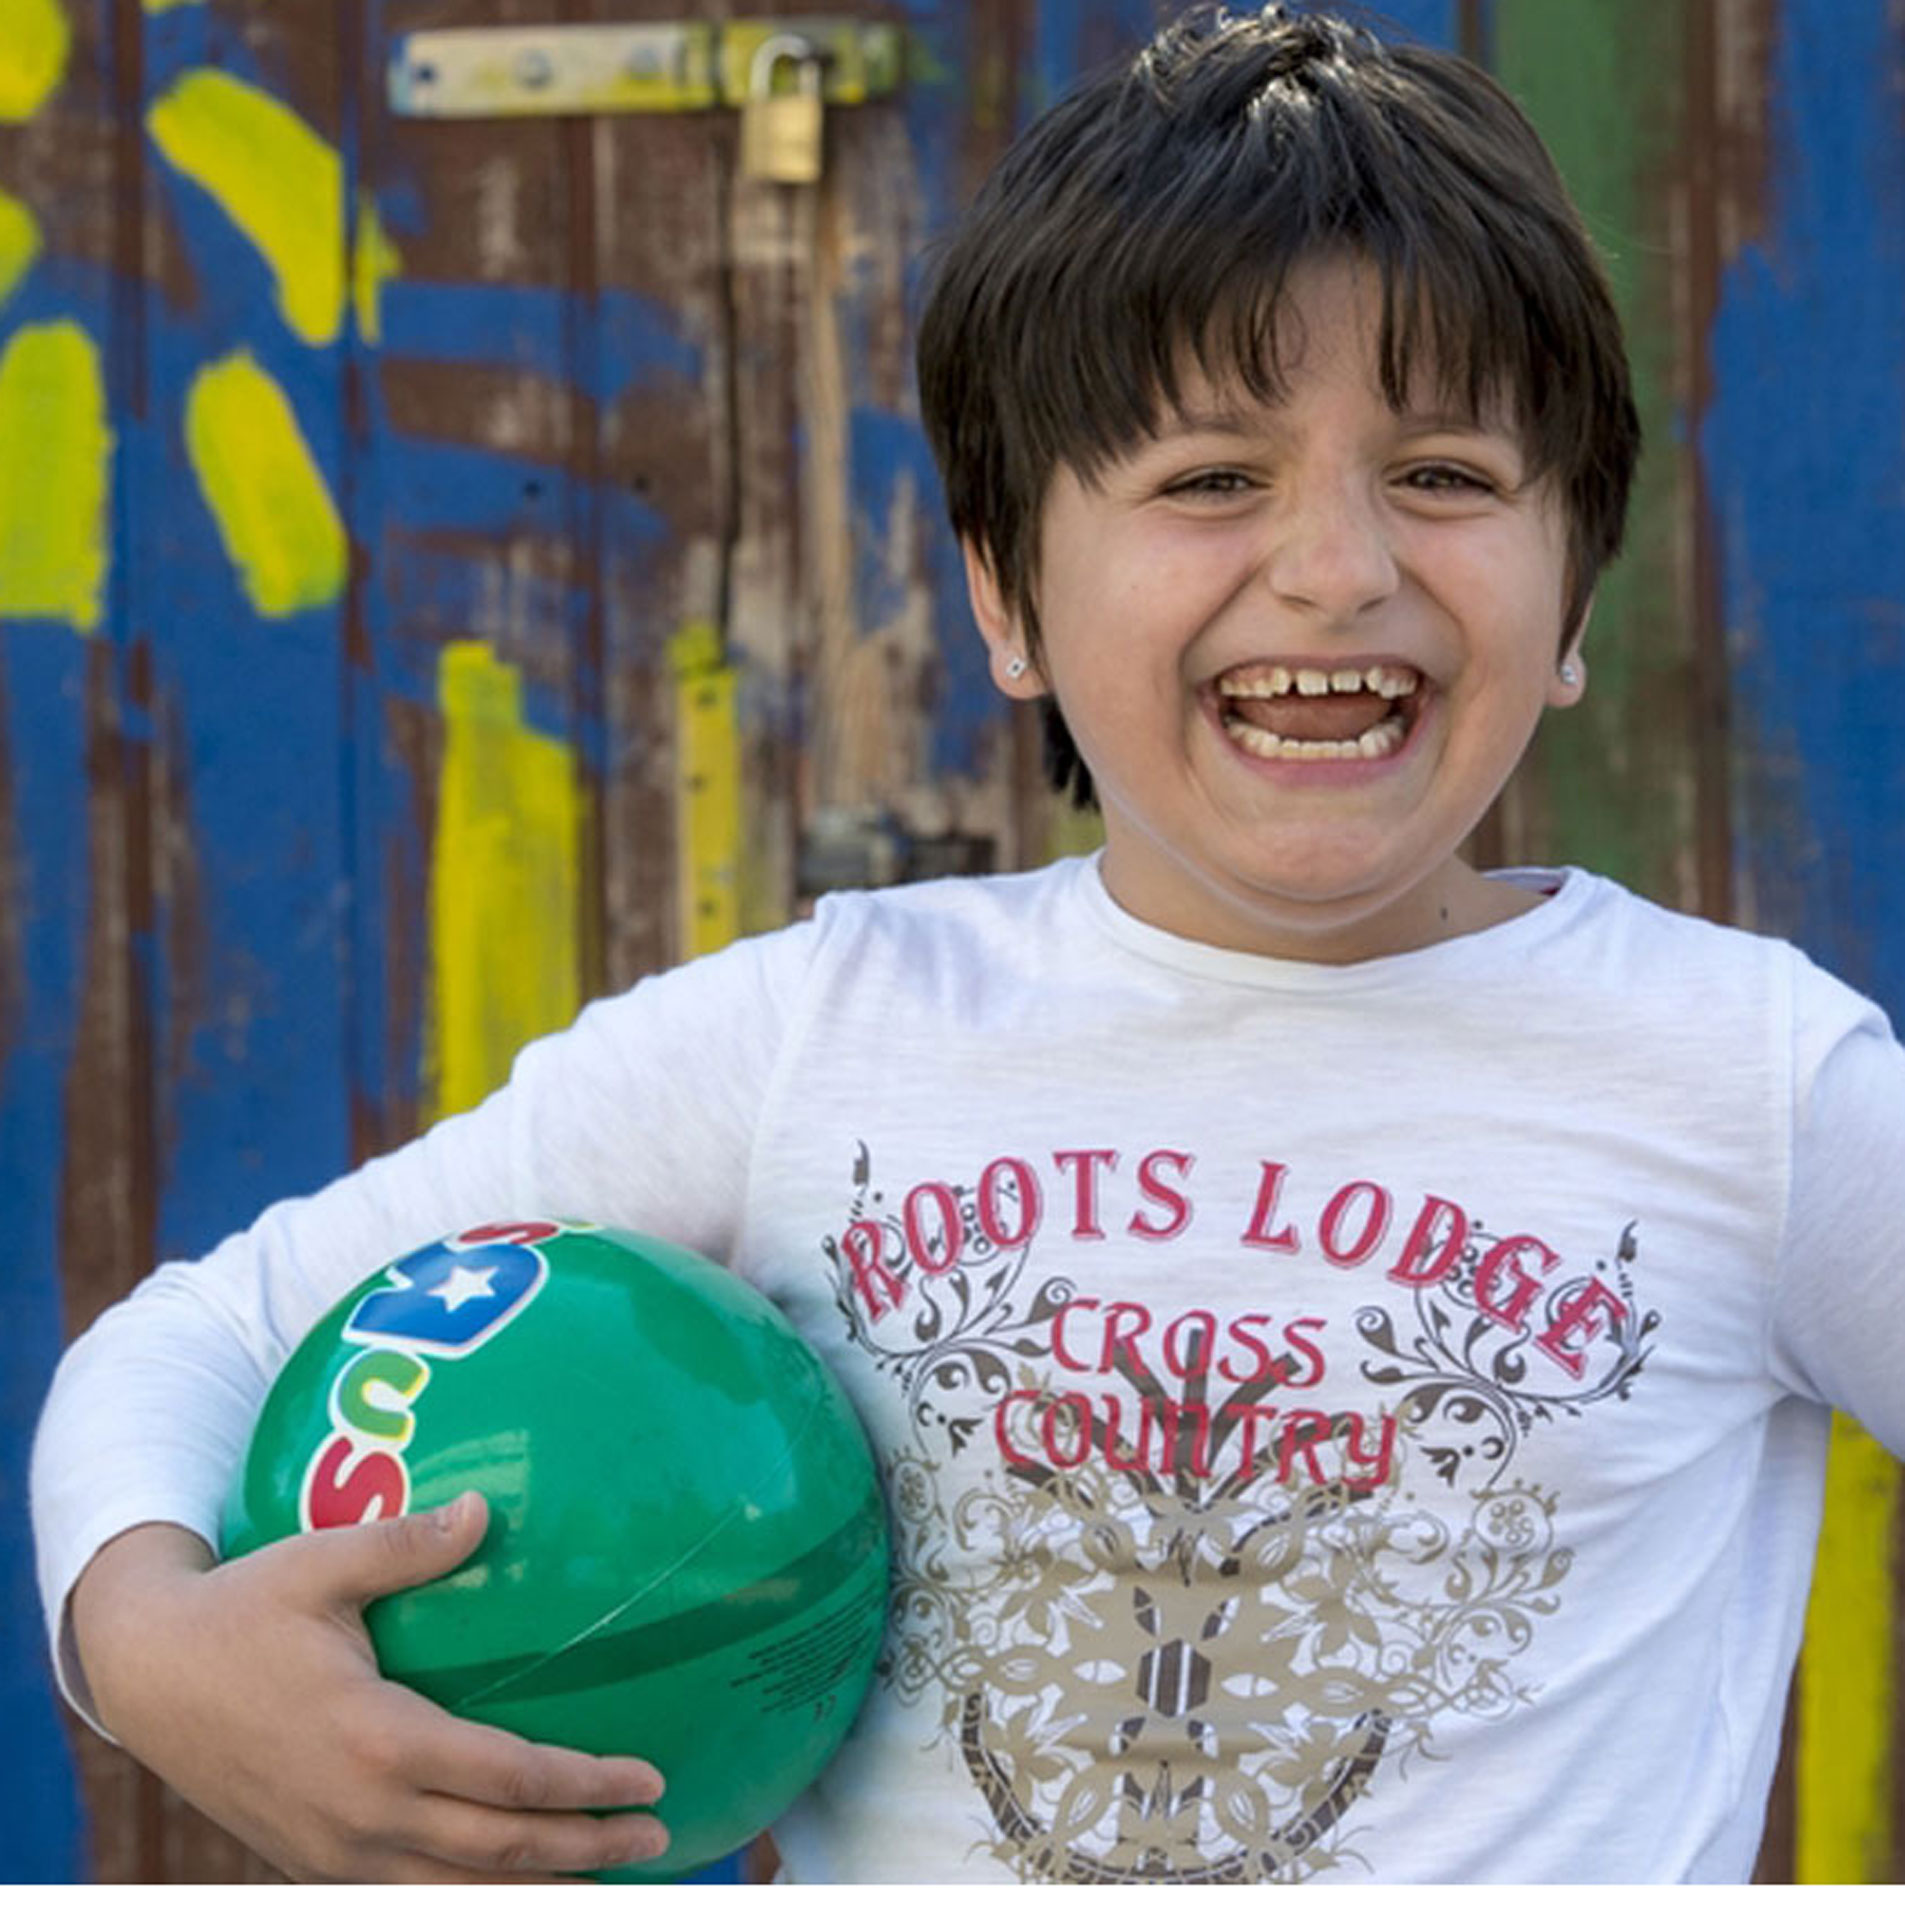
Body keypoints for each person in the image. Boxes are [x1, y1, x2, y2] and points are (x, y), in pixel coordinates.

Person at [31, 1, 1905, 1884]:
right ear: (1006, 595)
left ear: (1572, 587)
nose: (1338, 567)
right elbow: (205, 1337)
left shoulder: (1750, 1083)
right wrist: (154, 1645)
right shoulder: (811, 1040)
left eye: (1442, 475)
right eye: (1210, 478)